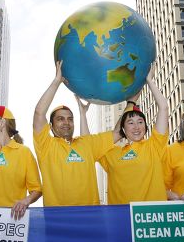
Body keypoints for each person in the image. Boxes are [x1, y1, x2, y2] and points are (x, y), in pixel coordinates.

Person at [33, 60, 121, 206]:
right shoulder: (45, 146)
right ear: (51, 126)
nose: (66, 122)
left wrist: (132, 101)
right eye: (60, 119)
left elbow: (118, 132)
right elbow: (38, 113)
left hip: (90, 219)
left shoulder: (86, 144)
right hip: (58, 222)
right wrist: (57, 81)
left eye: (70, 119)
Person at [98, 65, 169, 204]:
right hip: (120, 219)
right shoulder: (111, 154)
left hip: (151, 218)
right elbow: (88, 145)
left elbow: (164, 108)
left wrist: (149, 81)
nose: (136, 127)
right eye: (130, 123)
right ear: (123, 129)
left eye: (140, 122)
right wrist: (82, 113)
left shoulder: (154, 146)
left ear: (145, 126)